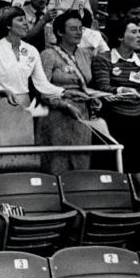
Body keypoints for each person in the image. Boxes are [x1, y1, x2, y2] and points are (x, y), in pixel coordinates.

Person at [0, 5, 65, 168]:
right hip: (0, 108)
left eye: (26, 20)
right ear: (7, 25)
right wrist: (2, 91)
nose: (26, 24)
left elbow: (42, 84)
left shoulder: (32, 50)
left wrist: (64, 92)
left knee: (22, 157)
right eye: (20, 20)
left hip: (23, 108)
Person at [91, 21, 140, 193]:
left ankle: (138, 207)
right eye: (134, 32)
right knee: (111, 172)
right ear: (121, 36)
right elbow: (103, 89)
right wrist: (122, 89)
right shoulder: (103, 59)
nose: (139, 36)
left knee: (139, 173)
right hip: (111, 121)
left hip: (136, 121)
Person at [35, 11, 103, 174]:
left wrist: (93, 98)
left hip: (81, 117)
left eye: (80, 28)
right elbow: (42, 91)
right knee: (57, 166)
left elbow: (86, 84)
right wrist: (64, 104)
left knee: (80, 166)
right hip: (56, 117)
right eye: (73, 29)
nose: (78, 32)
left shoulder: (85, 54)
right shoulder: (48, 55)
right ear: (60, 32)